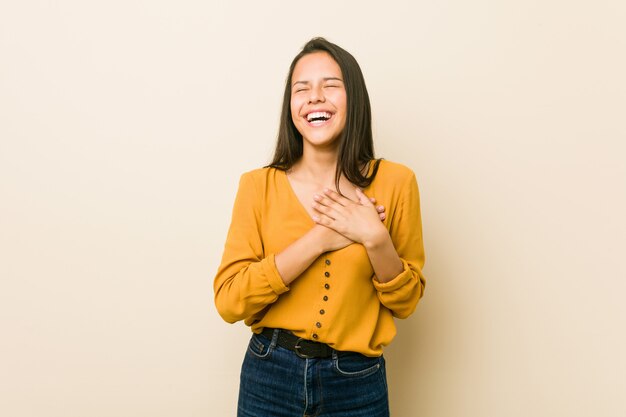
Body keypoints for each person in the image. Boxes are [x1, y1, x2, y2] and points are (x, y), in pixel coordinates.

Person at [214, 37, 426, 417]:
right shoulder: (257, 185)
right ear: (291, 107)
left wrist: (375, 239)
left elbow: (407, 302)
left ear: (354, 99)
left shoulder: (396, 182)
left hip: (357, 380)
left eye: (330, 85)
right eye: (302, 88)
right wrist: (320, 239)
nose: (314, 97)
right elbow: (230, 302)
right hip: (269, 376)